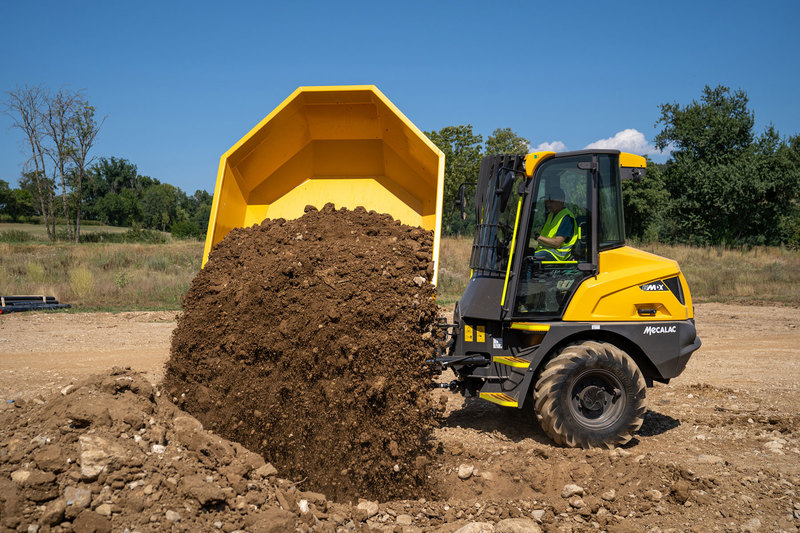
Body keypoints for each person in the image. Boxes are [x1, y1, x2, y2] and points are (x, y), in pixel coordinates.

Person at [532, 187, 578, 262]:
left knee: (529, 260)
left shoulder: (566, 217)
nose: (548, 204)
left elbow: (557, 243)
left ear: (561, 200)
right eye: (546, 201)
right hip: (547, 251)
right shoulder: (551, 215)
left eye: (551, 201)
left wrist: (536, 236)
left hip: (558, 255)